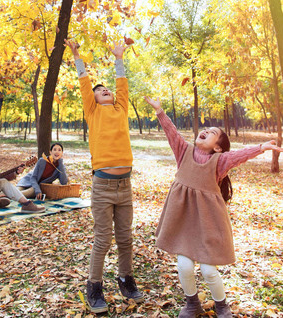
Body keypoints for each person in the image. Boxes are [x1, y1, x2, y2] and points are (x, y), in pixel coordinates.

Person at [144, 96, 282, 318]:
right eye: (206, 129)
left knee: (208, 270)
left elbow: (238, 155)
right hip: (184, 222)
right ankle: (192, 304)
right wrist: (160, 111)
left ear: (218, 147)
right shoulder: (184, 151)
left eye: (213, 132)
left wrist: (261, 147)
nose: (206, 131)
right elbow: (172, 132)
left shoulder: (219, 163)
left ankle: (221, 306)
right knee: (184, 266)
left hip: (208, 223)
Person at [65, 39, 143, 314]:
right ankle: (94, 285)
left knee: (125, 238)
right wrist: (77, 56)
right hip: (102, 186)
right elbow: (85, 85)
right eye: (100, 91)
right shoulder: (93, 111)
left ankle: (125, 277)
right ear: (94, 100)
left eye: (106, 89)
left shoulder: (121, 109)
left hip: (125, 186)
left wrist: (119, 57)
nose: (104, 91)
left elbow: (122, 86)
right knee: (103, 239)